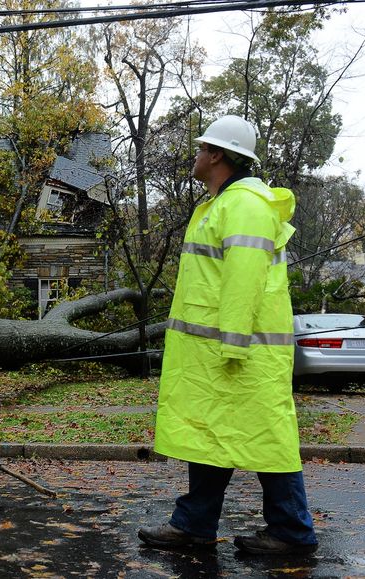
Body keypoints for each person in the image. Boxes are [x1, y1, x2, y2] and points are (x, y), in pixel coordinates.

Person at [138, 115, 318, 555]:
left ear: (217, 155)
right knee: (209, 434)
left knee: (267, 440)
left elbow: (244, 278)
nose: (196, 155)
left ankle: (292, 534)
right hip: (216, 354)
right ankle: (194, 525)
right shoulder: (223, 204)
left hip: (242, 355)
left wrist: (233, 343)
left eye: (202, 148)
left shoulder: (245, 205)